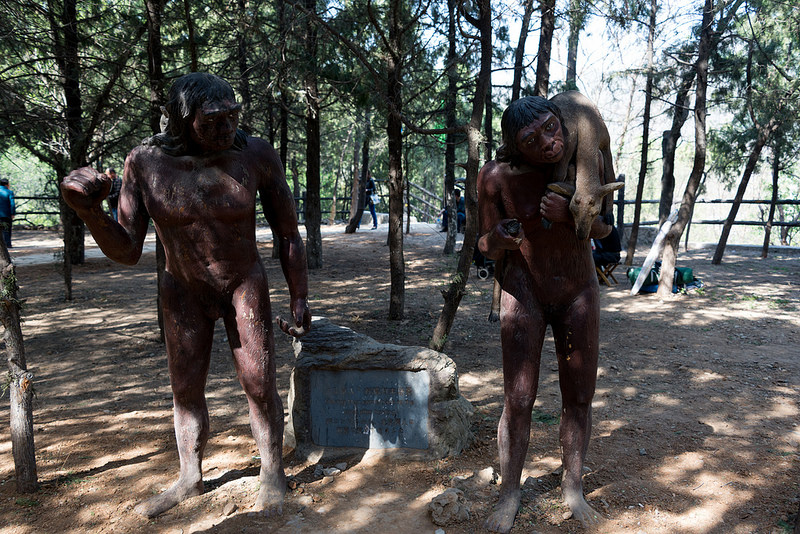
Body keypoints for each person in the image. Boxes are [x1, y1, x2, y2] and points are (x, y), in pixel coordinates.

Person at [60, 72, 311, 519]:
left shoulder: (255, 155)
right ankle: (189, 476)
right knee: (185, 388)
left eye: (233, 117)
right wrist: (89, 211)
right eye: (212, 120)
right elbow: (126, 250)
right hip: (182, 288)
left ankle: (273, 472)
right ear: (182, 121)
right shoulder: (145, 162)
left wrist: (299, 295)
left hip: (242, 282)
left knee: (258, 381)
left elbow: (288, 232)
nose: (226, 128)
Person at [477, 96, 613, 532]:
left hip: (579, 292)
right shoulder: (495, 177)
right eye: (532, 140)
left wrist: (577, 216)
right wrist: (498, 238)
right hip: (523, 293)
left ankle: (573, 488)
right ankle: (510, 492)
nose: (549, 143)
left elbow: (608, 229)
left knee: (579, 396)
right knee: (518, 399)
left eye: (551, 128)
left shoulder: (584, 161)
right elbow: (481, 244)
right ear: (515, 148)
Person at [0, 177, 16, 248]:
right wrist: (12, 213)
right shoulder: (9, 192)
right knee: (6, 230)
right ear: (7, 184)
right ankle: (7, 244)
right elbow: (12, 204)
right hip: (6, 214)